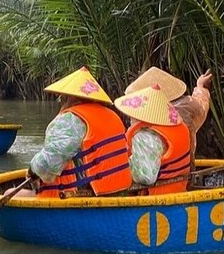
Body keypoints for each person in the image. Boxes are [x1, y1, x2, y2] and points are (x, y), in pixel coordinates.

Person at [9, 67, 132, 198]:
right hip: (118, 191)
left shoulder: (71, 120)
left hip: (76, 195)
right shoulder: (113, 116)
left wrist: (32, 171)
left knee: (9, 193)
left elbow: (48, 164)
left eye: (63, 97)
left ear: (68, 97)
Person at [114, 84, 191, 195]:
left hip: (158, 198)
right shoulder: (180, 127)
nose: (130, 118)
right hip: (179, 190)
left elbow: (145, 177)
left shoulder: (145, 137)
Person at [125, 66, 212, 157]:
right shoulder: (187, 106)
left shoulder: (141, 124)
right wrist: (200, 87)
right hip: (186, 167)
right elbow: (201, 105)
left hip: (158, 169)